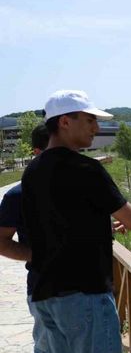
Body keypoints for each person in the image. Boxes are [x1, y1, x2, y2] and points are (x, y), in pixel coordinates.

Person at [21, 90, 131, 353]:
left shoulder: (32, 172)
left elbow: (61, 222)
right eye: (89, 121)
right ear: (64, 121)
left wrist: (103, 225)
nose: (96, 129)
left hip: (44, 296)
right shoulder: (87, 169)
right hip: (85, 296)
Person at [0, 124, 50, 353]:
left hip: (90, 290)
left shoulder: (79, 189)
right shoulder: (16, 195)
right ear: (37, 153)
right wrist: (37, 255)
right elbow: (2, 241)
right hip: (43, 289)